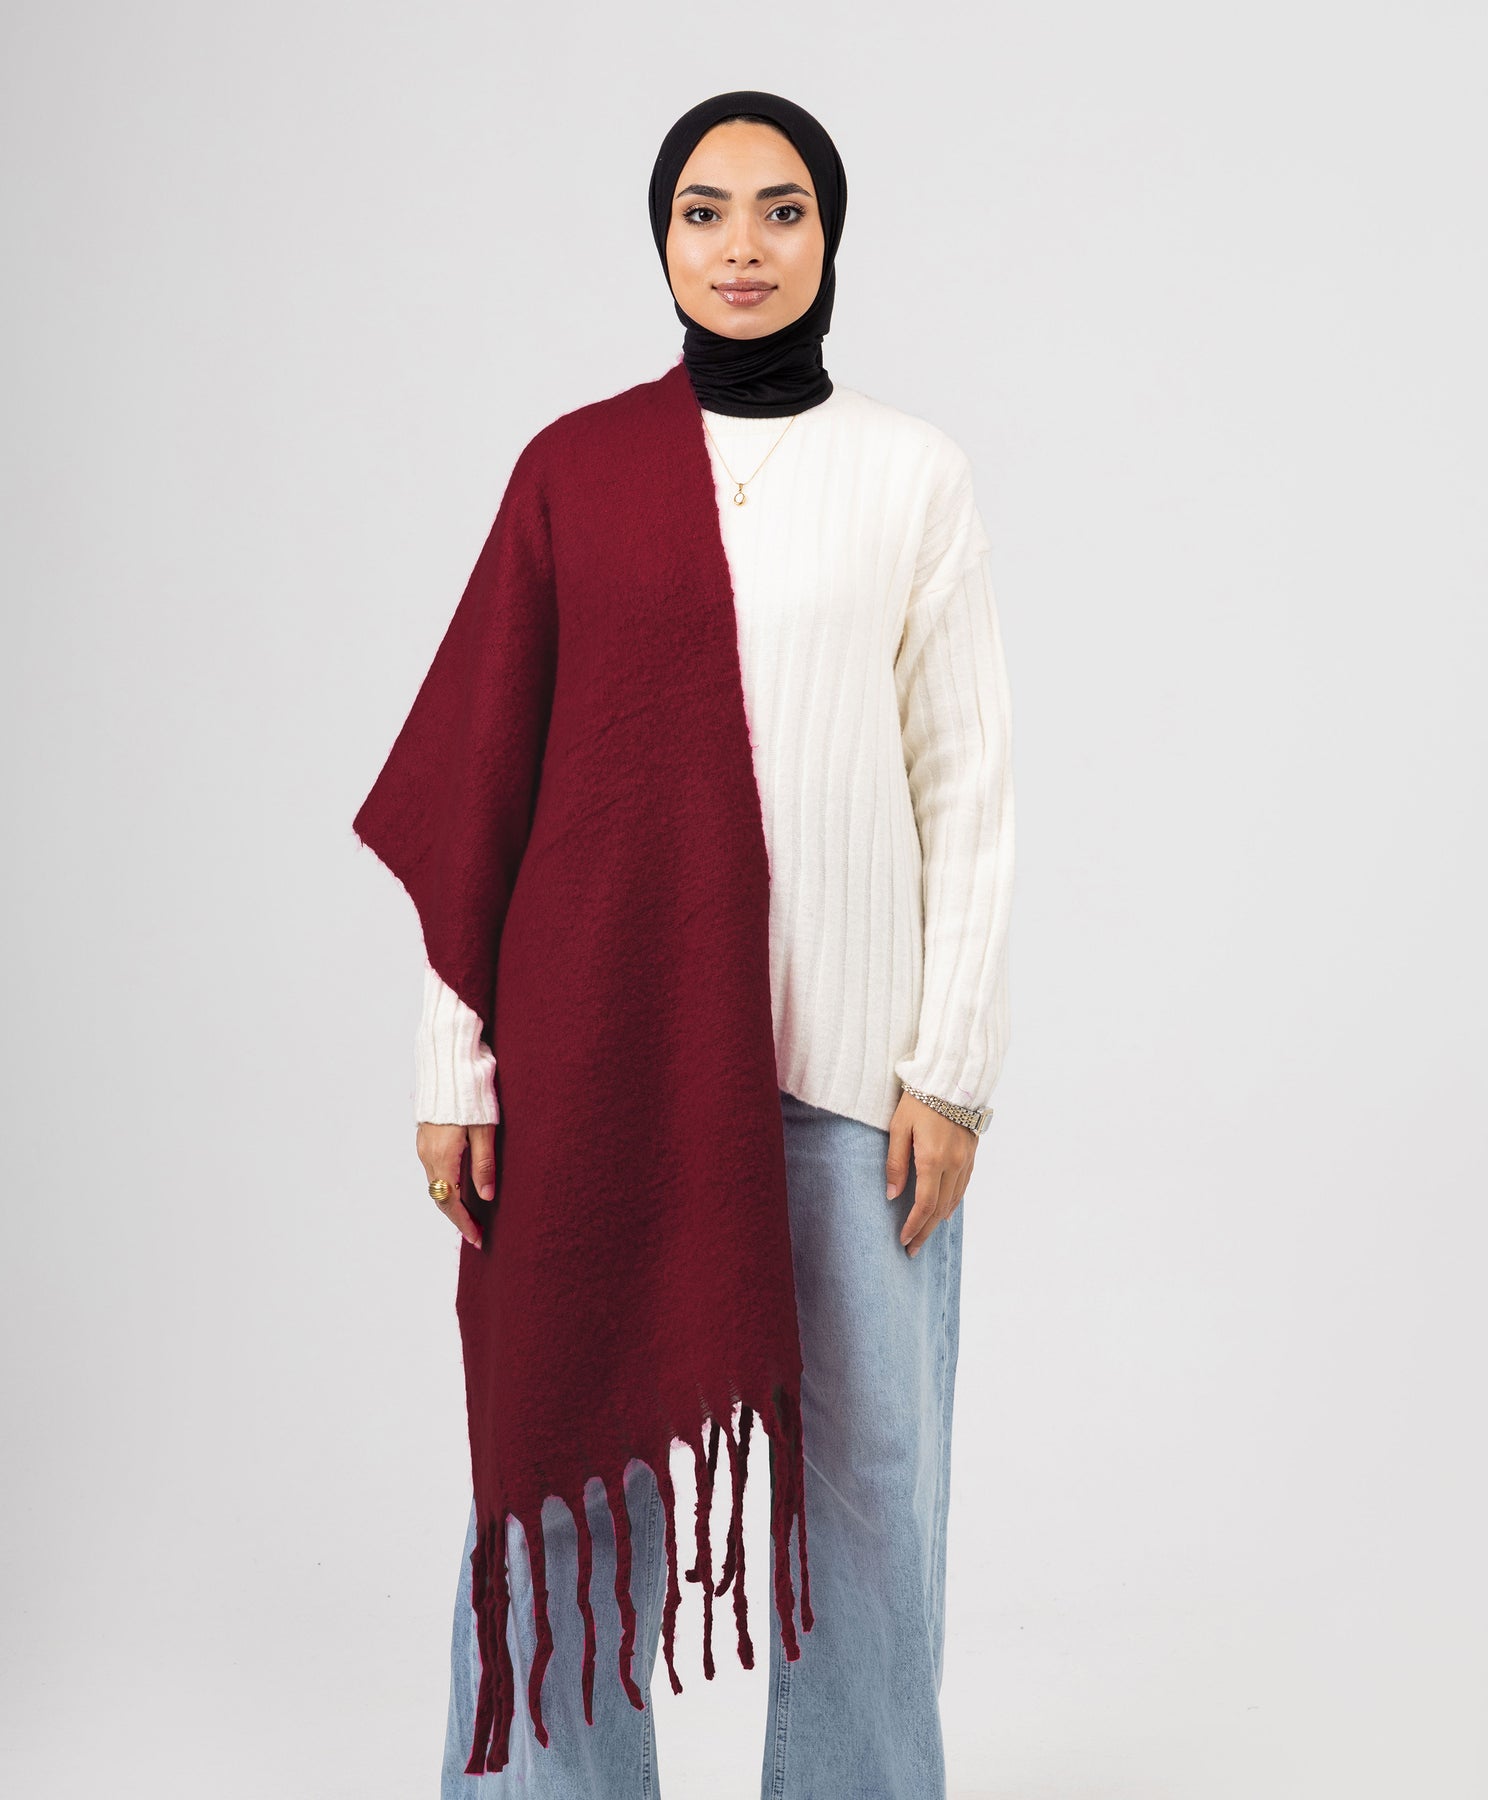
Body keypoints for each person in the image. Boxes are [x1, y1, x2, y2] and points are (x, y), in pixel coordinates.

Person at [357, 89, 1014, 1799]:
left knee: (872, 1511)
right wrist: (455, 1064)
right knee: (561, 1480)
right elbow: (483, 789)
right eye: (704, 211)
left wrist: (950, 1068)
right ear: (661, 241)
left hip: (851, 1088)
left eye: (781, 210)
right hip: (605, 1072)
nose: (742, 246)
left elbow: (967, 789)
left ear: (829, 237)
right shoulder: (574, 471)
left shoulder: (911, 472)